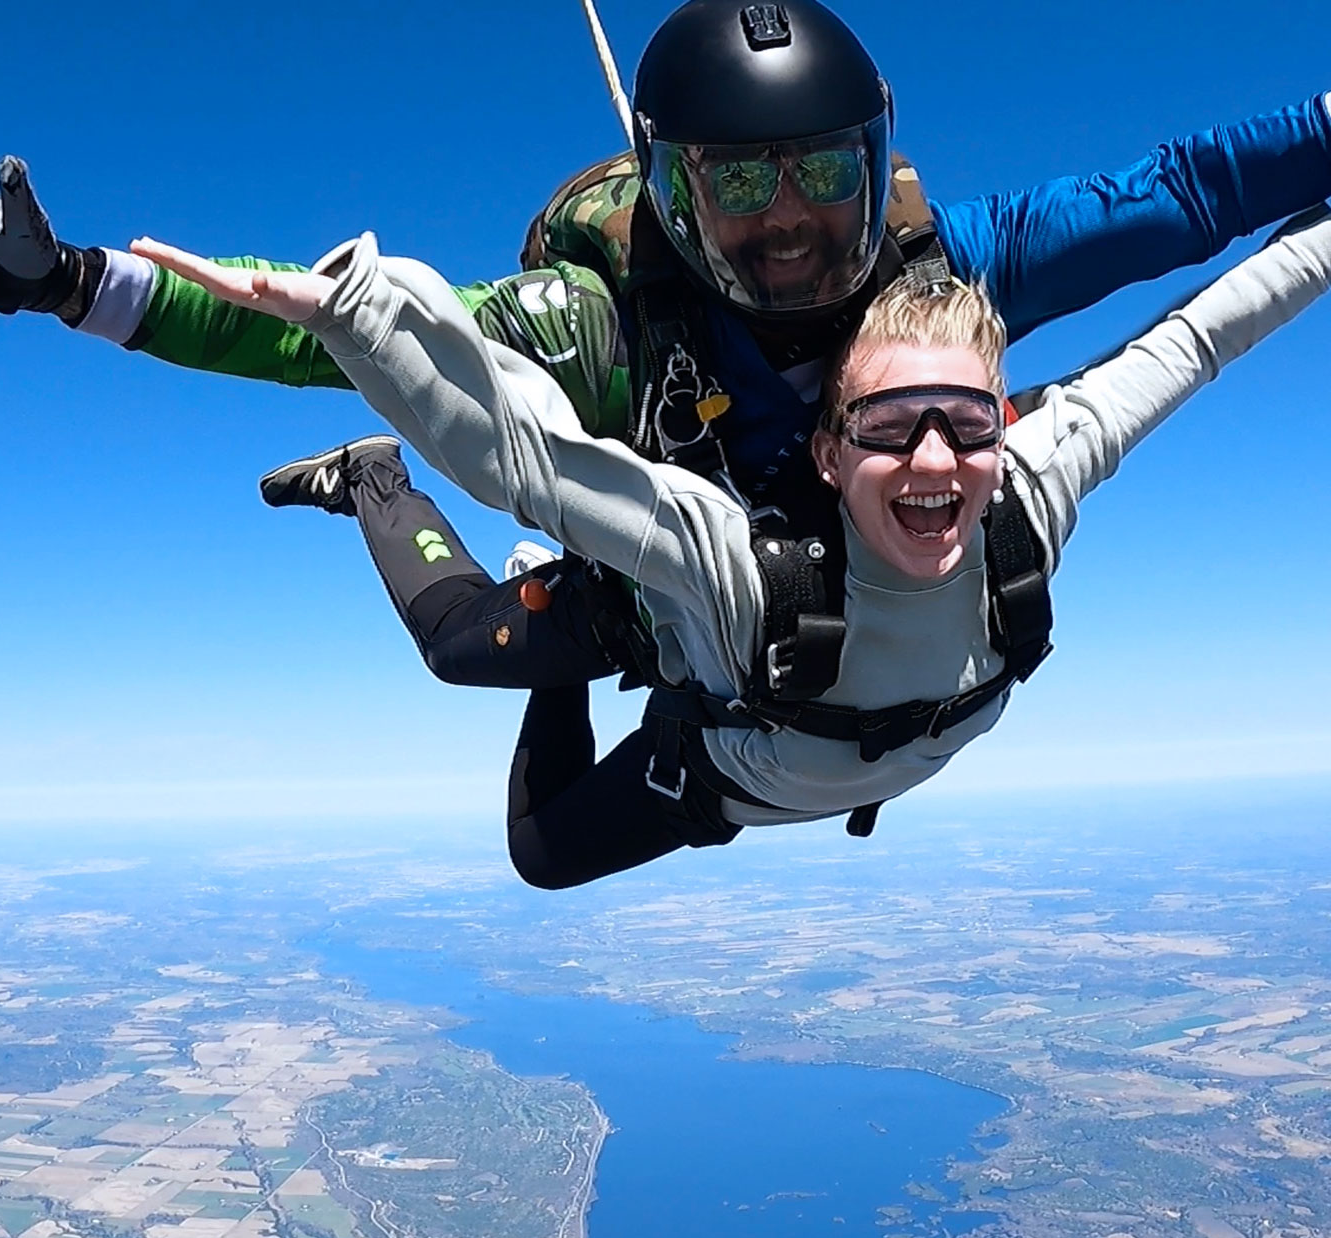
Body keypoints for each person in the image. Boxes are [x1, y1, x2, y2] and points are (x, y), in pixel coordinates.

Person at [0, 0, 1331, 698]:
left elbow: (1186, 195)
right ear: (675, 199)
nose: (795, 227)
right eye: (736, 190)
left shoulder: (954, 273)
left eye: (821, 175)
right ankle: (375, 496)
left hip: (818, 571)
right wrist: (80, 286)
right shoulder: (602, 326)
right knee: (465, 657)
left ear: (880, 167)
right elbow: (344, 333)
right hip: (659, 582)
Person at [128, 203, 1331, 887]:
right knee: (484, 703)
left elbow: (1202, 339)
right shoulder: (731, 562)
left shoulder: (1028, 491)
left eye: (964, 424)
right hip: (714, 745)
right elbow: (522, 459)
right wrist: (359, 319)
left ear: (1002, 427)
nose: (931, 462)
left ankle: (569, 609)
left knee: (548, 822)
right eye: (886, 427)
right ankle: (371, 478)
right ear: (824, 449)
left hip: (757, 740)